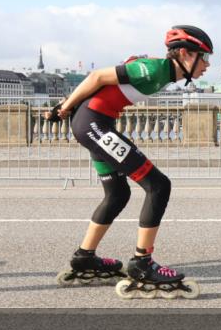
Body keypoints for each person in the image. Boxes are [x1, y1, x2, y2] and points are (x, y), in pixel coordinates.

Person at [50, 26, 212, 299]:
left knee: (117, 194)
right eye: (204, 57)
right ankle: (142, 263)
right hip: (94, 124)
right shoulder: (154, 69)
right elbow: (97, 76)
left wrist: (69, 106)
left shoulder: (163, 73)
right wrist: (65, 107)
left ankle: (84, 258)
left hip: (95, 123)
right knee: (158, 185)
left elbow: (108, 85)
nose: (207, 65)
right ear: (185, 54)